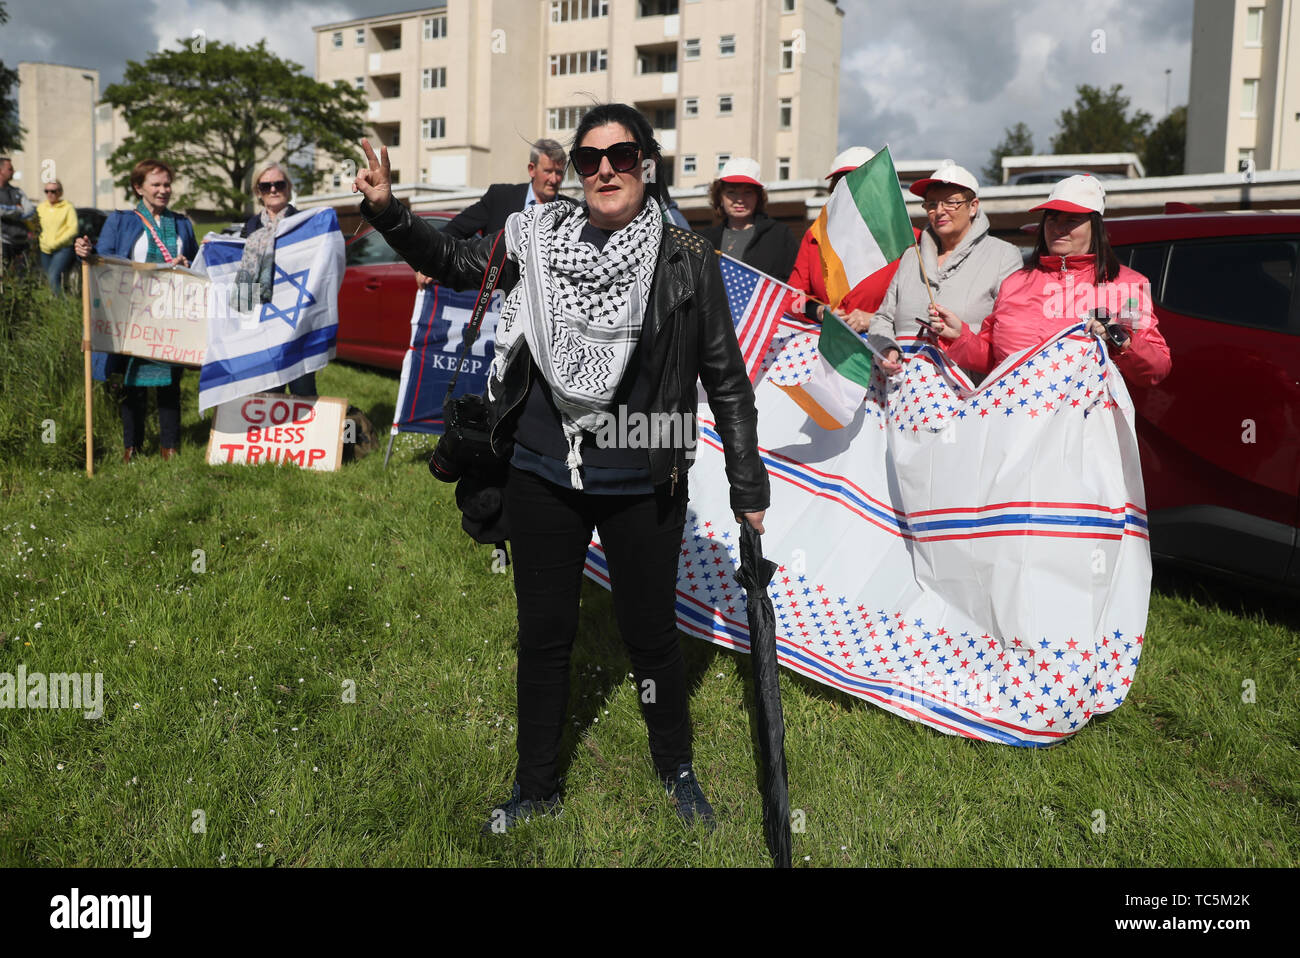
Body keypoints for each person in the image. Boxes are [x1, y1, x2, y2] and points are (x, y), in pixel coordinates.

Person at [352, 103, 769, 833]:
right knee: (544, 636)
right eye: (589, 159)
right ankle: (536, 787)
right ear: (575, 173)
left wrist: (748, 486)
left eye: (623, 156)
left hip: (644, 472)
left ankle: (676, 768)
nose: (605, 169)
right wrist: (389, 211)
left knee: (650, 635)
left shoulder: (687, 257)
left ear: (648, 165)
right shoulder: (537, 238)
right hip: (542, 467)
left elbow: (725, 378)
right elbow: (452, 263)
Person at [933, 174, 1171, 386]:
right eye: (1052, 219)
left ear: (1095, 226)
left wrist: (1119, 337)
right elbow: (994, 358)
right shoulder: (1014, 283)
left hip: (1082, 426)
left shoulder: (1128, 285)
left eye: (1071, 220)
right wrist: (959, 336)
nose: (1058, 228)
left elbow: (1157, 368)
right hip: (1014, 419)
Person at [74, 159, 198, 462]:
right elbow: (105, 260)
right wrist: (87, 253)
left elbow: (198, 265)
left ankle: (169, 446)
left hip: (170, 313)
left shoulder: (182, 223)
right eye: (155, 184)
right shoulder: (121, 221)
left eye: (167, 184)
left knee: (170, 379)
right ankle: (132, 446)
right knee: (132, 380)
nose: (163, 190)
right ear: (138, 187)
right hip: (131, 314)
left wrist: (188, 265)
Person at [868, 162, 1023, 376]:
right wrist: (887, 349)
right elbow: (883, 318)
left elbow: (1011, 334)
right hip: (905, 394)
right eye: (931, 204)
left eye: (951, 202)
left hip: (967, 396)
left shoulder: (1004, 255)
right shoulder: (912, 256)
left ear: (973, 206)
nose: (939, 211)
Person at [786, 146, 919, 326]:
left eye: (860, 182)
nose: (851, 191)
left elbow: (919, 307)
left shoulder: (908, 239)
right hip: (826, 345)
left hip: (883, 346)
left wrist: (874, 319)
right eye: (844, 183)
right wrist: (818, 310)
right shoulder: (815, 237)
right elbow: (790, 298)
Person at [239, 163, 315, 396]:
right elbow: (240, 271)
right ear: (258, 192)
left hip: (296, 318)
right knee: (267, 391)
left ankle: (308, 432)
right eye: (266, 185)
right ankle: (273, 432)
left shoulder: (305, 222)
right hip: (262, 322)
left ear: (289, 188)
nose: (273, 189)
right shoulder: (250, 226)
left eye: (279, 184)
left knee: (303, 391)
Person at [442, 138, 568, 239]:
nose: (554, 179)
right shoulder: (500, 198)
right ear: (531, 169)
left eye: (558, 172)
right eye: (548, 171)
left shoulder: (573, 210)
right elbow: (452, 232)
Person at [697, 157, 799, 280]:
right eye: (731, 192)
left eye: (748, 192)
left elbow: (794, 283)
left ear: (758, 197)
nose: (740, 200)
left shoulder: (780, 235)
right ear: (719, 197)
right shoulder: (704, 240)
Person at [36, 180, 79, 294]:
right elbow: (35, 224)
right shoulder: (41, 207)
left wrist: (57, 243)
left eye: (53, 191)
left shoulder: (68, 207)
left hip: (63, 248)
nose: (49, 194)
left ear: (60, 192)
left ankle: (60, 304)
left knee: (53, 275)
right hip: (45, 249)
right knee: (49, 278)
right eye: (47, 191)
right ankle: (53, 304)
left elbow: (73, 228)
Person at [0, 156, 34, 270]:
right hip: (3, 243)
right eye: (10, 169)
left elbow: (29, 210)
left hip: (21, 242)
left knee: (22, 279)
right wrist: (18, 209)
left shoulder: (17, 191)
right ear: (1, 171)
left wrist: (8, 211)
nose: (13, 171)